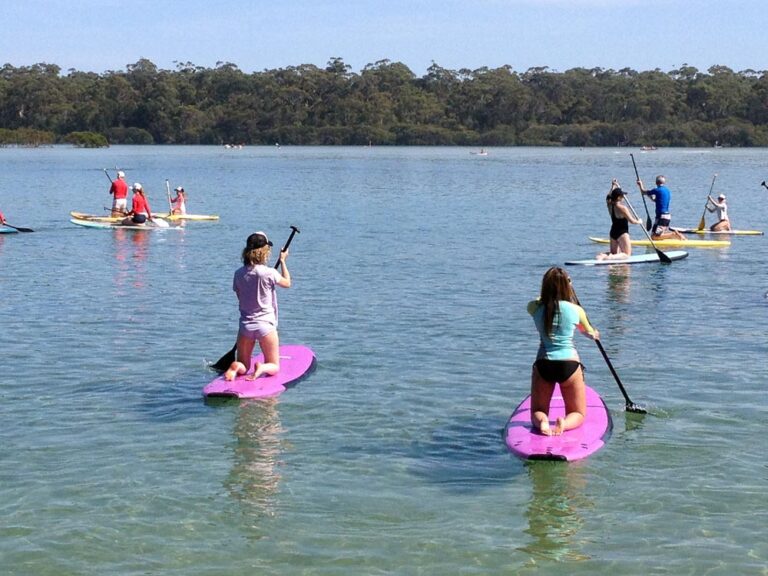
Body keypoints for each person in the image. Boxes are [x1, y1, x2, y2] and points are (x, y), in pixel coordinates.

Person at [527, 267, 600, 436]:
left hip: (544, 364)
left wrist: (550, 292)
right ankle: (564, 423)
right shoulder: (577, 310)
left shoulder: (534, 308)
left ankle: (543, 422)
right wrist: (594, 333)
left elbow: (539, 300)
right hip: (569, 366)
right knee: (578, 413)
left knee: (537, 411)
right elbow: (589, 333)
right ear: (567, 286)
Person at [224, 232, 291, 381]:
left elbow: (240, 297)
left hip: (245, 326)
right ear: (264, 252)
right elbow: (287, 283)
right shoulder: (270, 273)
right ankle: (262, 367)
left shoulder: (238, 274)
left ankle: (236, 366)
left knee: (244, 365)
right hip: (266, 326)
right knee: (274, 366)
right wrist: (283, 261)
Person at [596, 179, 643, 261]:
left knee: (614, 253)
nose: (623, 197)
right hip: (622, 233)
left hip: (613, 232)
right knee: (627, 255)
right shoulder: (622, 208)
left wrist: (613, 186)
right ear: (618, 197)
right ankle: (609, 257)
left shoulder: (609, 204)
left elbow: (608, 196)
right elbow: (632, 221)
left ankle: (602, 255)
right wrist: (639, 221)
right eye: (622, 196)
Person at [636, 175, 685, 240]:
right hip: (663, 217)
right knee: (653, 235)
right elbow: (656, 200)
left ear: (656, 182)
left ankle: (674, 234)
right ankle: (676, 236)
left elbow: (643, 192)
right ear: (664, 182)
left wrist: (640, 184)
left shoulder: (657, 190)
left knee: (655, 237)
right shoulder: (667, 191)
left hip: (662, 217)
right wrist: (650, 196)